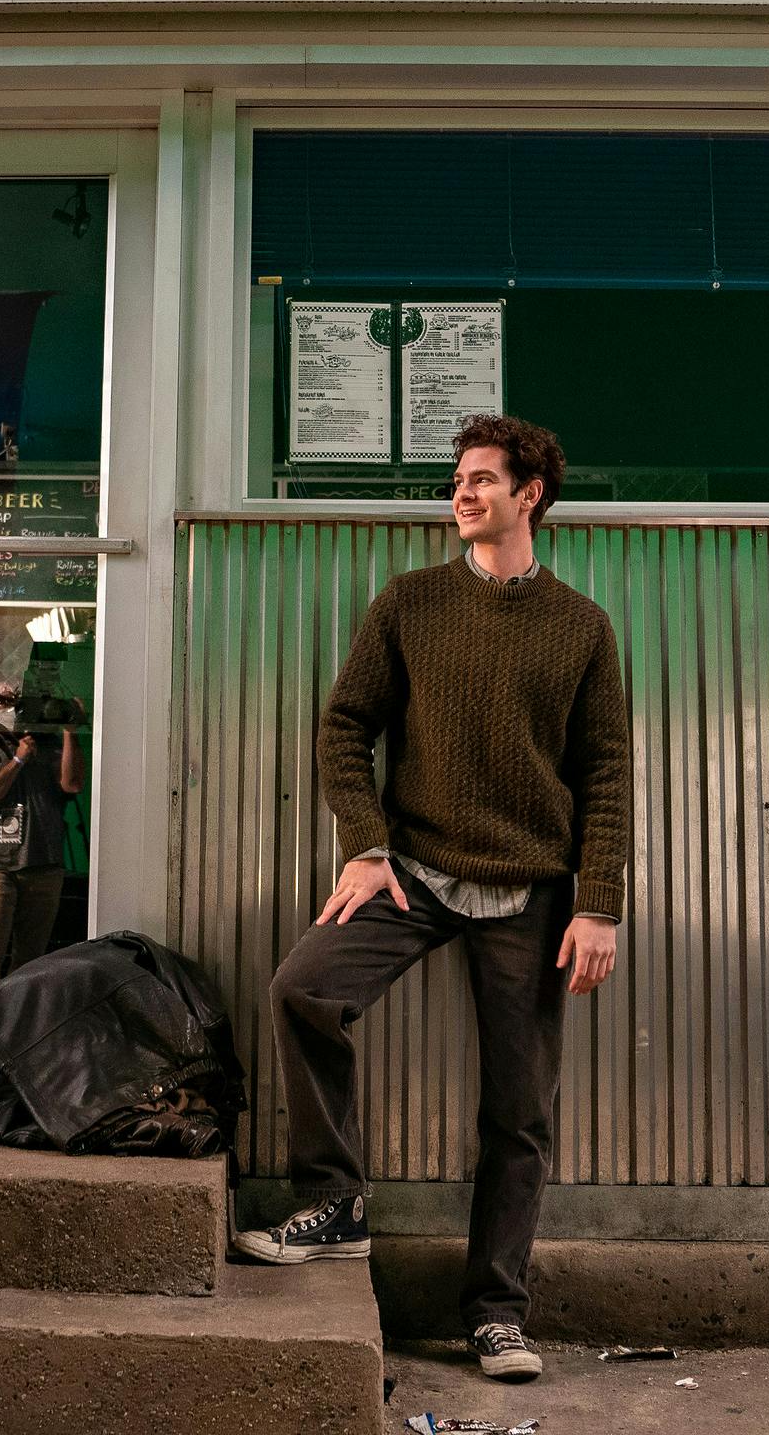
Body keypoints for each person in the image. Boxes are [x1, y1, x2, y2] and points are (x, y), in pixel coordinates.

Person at [231, 415, 630, 1387]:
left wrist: (598, 901)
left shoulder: (580, 625)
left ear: (529, 492)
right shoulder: (409, 602)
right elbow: (343, 724)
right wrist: (364, 846)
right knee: (304, 987)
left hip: (532, 891)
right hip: (410, 873)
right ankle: (334, 1202)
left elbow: (605, 771)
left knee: (517, 1111)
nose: (461, 492)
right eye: (456, 478)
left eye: (481, 478)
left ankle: (495, 1312)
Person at [0, 683, 85, 1005]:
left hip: (44, 865)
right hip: (0, 865)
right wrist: (17, 759)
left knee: (30, 962)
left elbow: (72, 783)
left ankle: (18, 1031)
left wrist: (69, 726)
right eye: (3, 701)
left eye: (16, 701)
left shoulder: (50, 744)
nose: (11, 708)